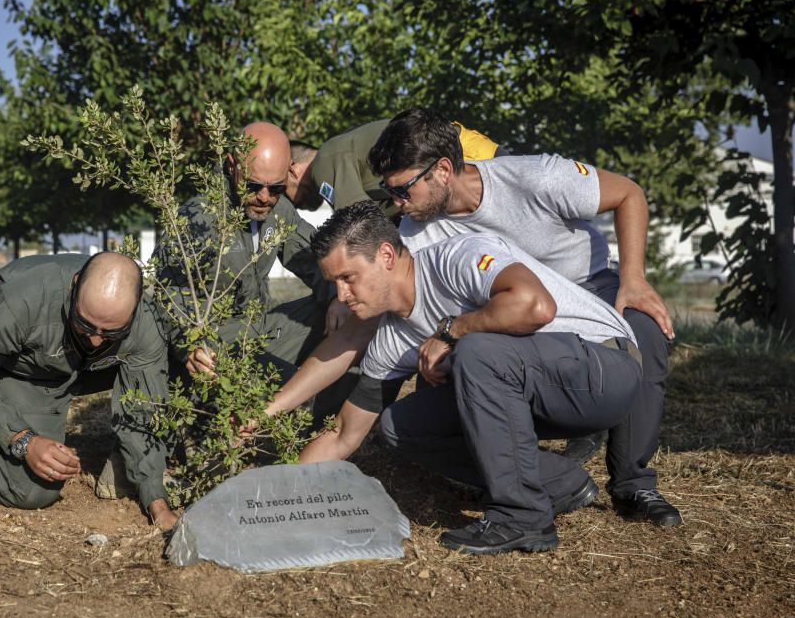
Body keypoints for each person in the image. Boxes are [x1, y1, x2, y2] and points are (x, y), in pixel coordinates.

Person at [365, 107, 680, 526]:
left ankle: (633, 484)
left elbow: (629, 194)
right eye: (391, 195)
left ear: (442, 170)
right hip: (508, 316)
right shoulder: (415, 230)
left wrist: (634, 278)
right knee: (442, 364)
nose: (398, 204)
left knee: (644, 327)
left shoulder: (536, 176)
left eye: (403, 190)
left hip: (589, 294)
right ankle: (527, 476)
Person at [300, 201, 643, 554]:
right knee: (400, 425)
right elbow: (344, 433)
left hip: (606, 369)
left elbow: (536, 307)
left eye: (347, 278)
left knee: (476, 352)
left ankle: (521, 517)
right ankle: (560, 483)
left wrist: (451, 331)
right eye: (334, 283)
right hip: (543, 394)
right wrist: (286, 491)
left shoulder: (456, 258)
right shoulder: (392, 338)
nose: (341, 296)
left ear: (386, 255)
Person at [0, 252, 179, 531]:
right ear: (75, 283)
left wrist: (157, 503)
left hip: (84, 372)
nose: (94, 340)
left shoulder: (147, 321)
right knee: (33, 489)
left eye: (110, 333)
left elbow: (142, 407)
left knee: (178, 361)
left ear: (135, 307)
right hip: (27, 373)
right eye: (84, 324)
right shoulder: (20, 300)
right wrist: (24, 441)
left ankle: (124, 467)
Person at [157, 122, 340, 393]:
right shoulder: (197, 219)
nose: (265, 197)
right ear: (232, 166)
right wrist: (190, 347)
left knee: (352, 315)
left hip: (259, 330)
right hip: (215, 348)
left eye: (276, 188)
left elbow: (315, 258)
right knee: (296, 391)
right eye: (252, 186)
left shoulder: (281, 211)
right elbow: (168, 294)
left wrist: (339, 295)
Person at [286, 118, 505, 223]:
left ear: (293, 170)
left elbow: (361, 222)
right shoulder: (348, 149)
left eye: (280, 189)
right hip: (469, 154)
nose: (291, 205)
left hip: (464, 162)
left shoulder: (324, 160)